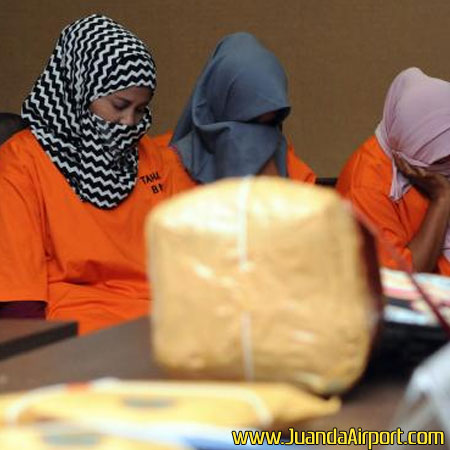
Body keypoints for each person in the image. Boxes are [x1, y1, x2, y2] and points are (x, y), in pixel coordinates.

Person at [0, 15, 192, 333]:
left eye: (140, 110)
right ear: (78, 90)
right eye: (119, 105)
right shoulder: (21, 164)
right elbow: (19, 302)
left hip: (166, 321)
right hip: (84, 331)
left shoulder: (152, 155)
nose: (129, 123)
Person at [337, 67, 450, 275]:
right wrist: (442, 199)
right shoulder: (365, 189)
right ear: (414, 144)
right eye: (443, 158)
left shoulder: (418, 158)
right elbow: (403, 279)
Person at [169, 32, 316, 185]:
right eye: (247, 123)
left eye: (270, 125)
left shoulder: (293, 169)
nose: (257, 140)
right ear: (219, 100)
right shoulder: (165, 170)